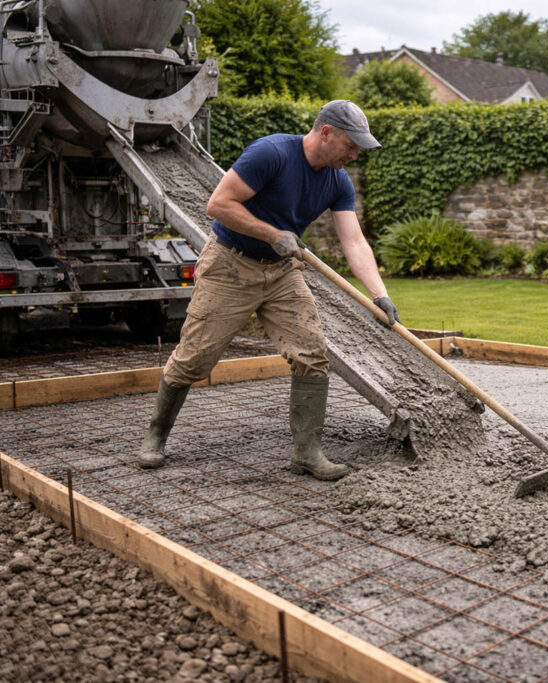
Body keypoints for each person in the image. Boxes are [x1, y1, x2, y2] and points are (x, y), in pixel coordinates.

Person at [137, 100, 399, 481]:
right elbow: (218, 204)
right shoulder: (271, 153)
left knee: (312, 354)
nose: (355, 153)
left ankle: (306, 453)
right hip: (231, 265)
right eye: (351, 144)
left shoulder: (337, 180)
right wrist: (273, 234)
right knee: (195, 358)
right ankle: (155, 436)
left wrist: (380, 294)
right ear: (326, 132)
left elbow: (354, 241)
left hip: (281, 274)